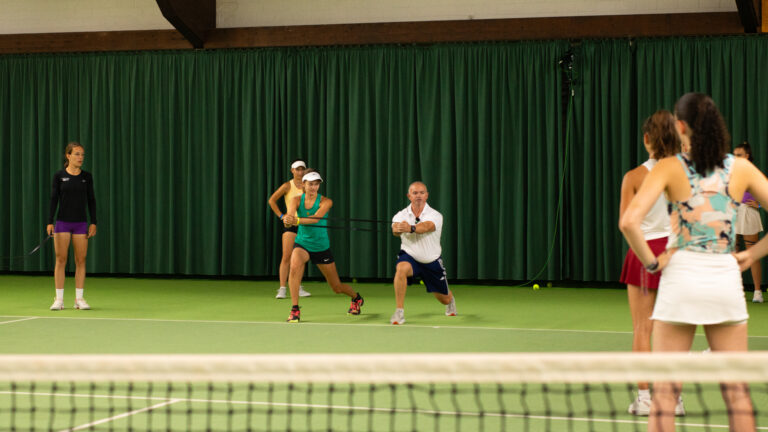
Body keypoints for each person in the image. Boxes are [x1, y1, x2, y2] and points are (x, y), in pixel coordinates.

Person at [620, 93, 762, 432]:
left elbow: (628, 222)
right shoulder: (741, 168)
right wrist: (751, 254)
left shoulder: (669, 167)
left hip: (680, 280)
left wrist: (652, 265)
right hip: (725, 281)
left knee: (665, 397)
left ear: (680, 126)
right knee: (738, 395)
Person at [619, 110, 684, 416]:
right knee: (677, 331)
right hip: (679, 256)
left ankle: (645, 399)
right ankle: (674, 399)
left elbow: (625, 222)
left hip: (643, 253)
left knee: (642, 329)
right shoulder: (689, 174)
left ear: (646, 139)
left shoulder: (633, 177)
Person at [282, 169, 363, 323]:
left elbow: (315, 219)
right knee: (294, 266)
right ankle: (295, 309)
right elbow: (290, 214)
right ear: (303, 185)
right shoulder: (296, 200)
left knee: (336, 287)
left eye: (316, 184)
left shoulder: (326, 201)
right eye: (310, 184)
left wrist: (296, 221)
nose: (313, 187)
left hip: (320, 246)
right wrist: (288, 219)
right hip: (302, 243)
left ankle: (356, 298)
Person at [390, 181, 455, 325]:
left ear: (427, 195)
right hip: (410, 255)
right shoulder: (401, 214)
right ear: (409, 196)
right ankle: (399, 312)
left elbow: (427, 226)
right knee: (400, 269)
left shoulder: (435, 215)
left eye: (421, 193)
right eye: (415, 193)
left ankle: (450, 299)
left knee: (444, 299)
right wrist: (398, 228)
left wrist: (411, 228)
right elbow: (395, 228)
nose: (418, 196)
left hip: (431, 260)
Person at [47, 142, 97, 311]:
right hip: (62, 223)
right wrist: (49, 221)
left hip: (81, 223)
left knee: (81, 260)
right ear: (68, 156)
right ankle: (59, 300)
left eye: (82, 155)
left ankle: (79, 299)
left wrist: (93, 222)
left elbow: (91, 200)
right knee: (61, 260)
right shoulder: (59, 176)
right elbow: (54, 199)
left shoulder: (87, 177)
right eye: (76, 154)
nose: (80, 158)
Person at [268, 159, 311, 299]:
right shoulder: (287, 186)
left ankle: (298, 287)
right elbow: (272, 200)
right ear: (292, 171)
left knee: (300, 258)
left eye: (302, 169)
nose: (300, 172)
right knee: (286, 257)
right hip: (290, 225)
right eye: (297, 169)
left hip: (304, 225)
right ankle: (282, 288)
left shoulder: (308, 186)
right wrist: (282, 216)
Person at [733, 141, 764, 303]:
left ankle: (757, 291)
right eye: (734, 155)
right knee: (734, 251)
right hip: (734, 211)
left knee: (752, 252)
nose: (735, 158)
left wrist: (758, 203)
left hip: (748, 212)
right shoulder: (730, 171)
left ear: (747, 156)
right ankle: (736, 290)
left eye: (739, 155)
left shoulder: (754, 172)